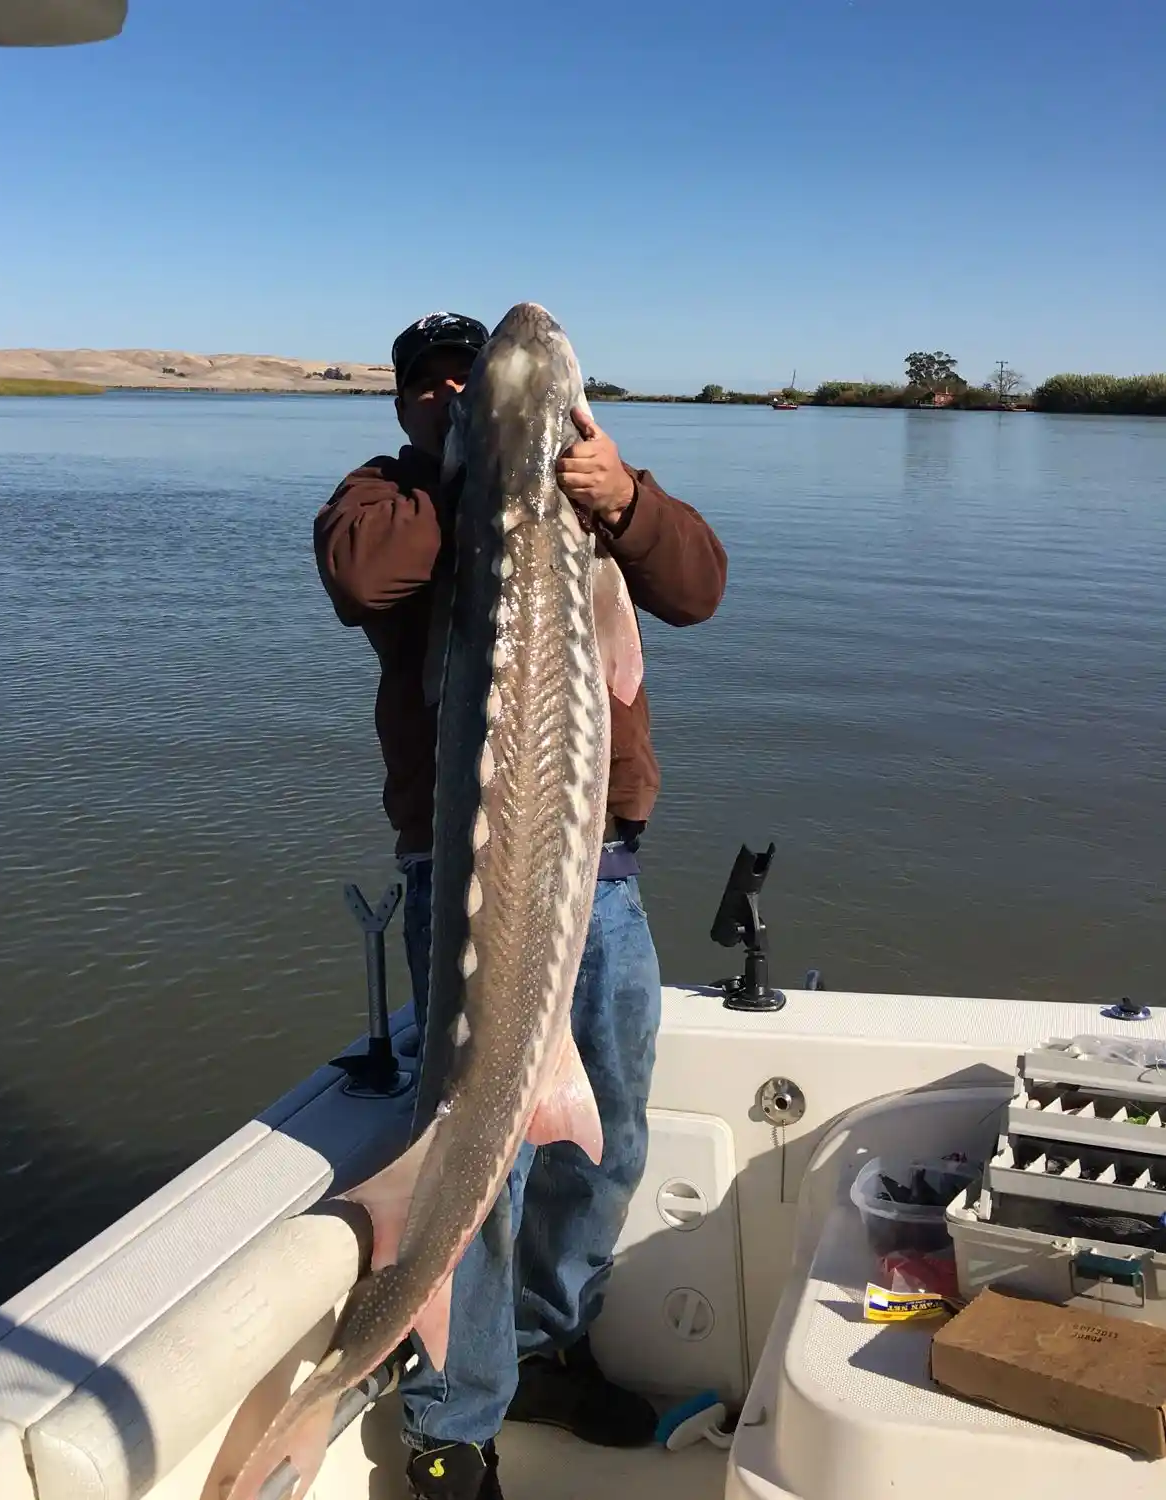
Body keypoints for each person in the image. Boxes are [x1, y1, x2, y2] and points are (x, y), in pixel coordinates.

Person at [313, 312, 728, 1500]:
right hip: (471, 878)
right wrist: (473, 462)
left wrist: (622, 494)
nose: (448, 394)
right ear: (404, 405)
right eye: (431, 385)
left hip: (601, 873)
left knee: (607, 1140)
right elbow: (359, 575)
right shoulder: (389, 496)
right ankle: (451, 1419)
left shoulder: (593, 492)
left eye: (467, 383)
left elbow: (697, 587)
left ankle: (545, 1348)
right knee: (476, 1144)